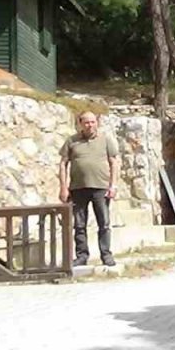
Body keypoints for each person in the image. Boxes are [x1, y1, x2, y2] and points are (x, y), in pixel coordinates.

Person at [59, 111, 120, 267]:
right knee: (79, 224)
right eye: (86, 122)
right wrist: (63, 187)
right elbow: (63, 163)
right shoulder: (72, 141)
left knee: (104, 223)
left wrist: (113, 185)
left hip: (101, 187)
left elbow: (114, 162)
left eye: (92, 122)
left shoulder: (105, 140)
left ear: (97, 123)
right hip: (78, 188)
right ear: (80, 124)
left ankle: (106, 255)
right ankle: (81, 256)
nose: (90, 125)